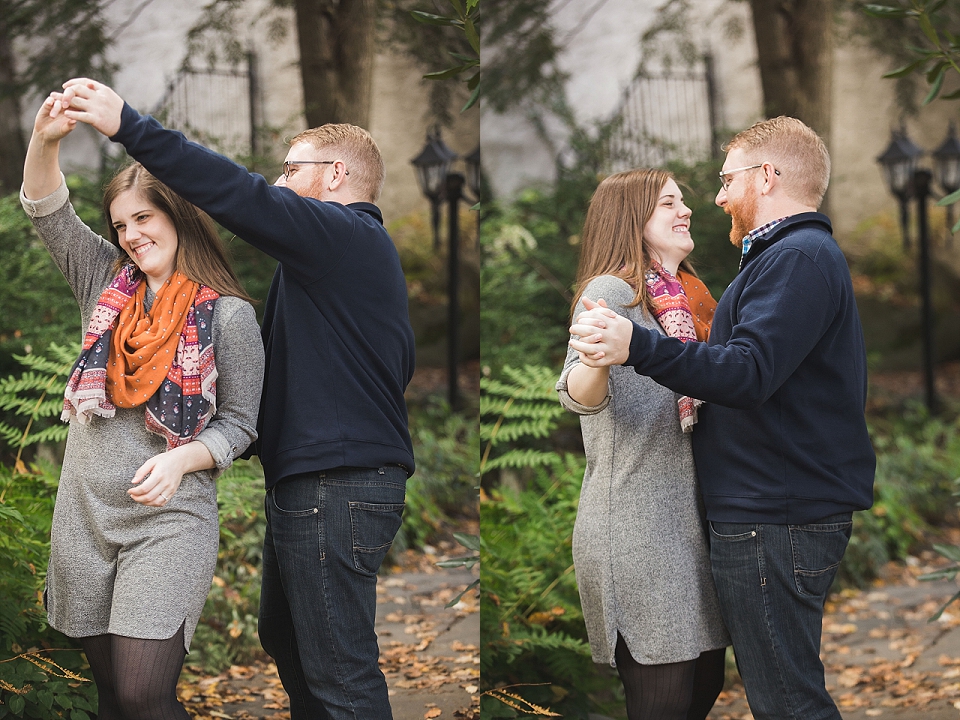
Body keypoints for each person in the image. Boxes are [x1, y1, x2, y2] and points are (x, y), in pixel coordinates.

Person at [52, 77, 416, 719]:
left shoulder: (344, 237)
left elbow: (239, 195)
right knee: (290, 641)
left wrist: (128, 125)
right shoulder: (334, 266)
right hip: (319, 480)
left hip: (337, 483)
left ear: (333, 175)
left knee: (338, 670)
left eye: (289, 169)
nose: (276, 183)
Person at [568, 117, 876, 720]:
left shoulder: (789, 262)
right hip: (682, 522)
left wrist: (639, 346)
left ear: (766, 177)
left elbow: (744, 372)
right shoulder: (661, 291)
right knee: (774, 694)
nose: (712, 199)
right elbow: (580, 392)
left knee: (785, 698)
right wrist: (610, 355)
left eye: (725, 179)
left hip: (772, 513)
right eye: (671, 200)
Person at [21, 93, 263, 719]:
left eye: (143, 220)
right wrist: (45, 140)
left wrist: (183, 459)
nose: (130, 237)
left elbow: (240, 426)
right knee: (112, 702)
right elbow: (49, 211)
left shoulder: (229, 316)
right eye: (121, 225)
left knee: (143, 695)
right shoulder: (102, 283)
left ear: (178, 216)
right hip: (86, 516)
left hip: (168, 522)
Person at [556, 168, 729, 720]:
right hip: (640, 528)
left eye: (684, 201)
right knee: (663, 703)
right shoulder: (611, 292)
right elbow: (576, 396)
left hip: (692, 525)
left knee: (702, 689)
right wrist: (593, 361)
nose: (685, 211)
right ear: (631, 218)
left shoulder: (694, 299)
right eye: (667, 204)